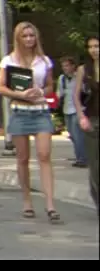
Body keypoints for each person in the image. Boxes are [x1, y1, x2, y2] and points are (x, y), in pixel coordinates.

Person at [0, 21, 60, 222]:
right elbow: (0, 87)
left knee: (44, 155)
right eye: (25, 36)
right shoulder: (9, 61)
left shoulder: (44, 61)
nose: (29, 39)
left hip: (40, 111)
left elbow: (50, 85)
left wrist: (40, 91)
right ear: (18, 38)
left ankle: (50, 205)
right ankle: (27, 201)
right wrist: (20, 93)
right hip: (20, 112)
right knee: (23, 159)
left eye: (32, 35)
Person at [72, 36, 99, 216]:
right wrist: (81, 116)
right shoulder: (84, 70)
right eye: (91, 47)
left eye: (97, 46)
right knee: (95, 166)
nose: (94, 50)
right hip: (93, 120)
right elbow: (75, 95)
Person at [57, 56, 86, 167]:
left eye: (67, 65)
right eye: (63, 66)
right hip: (66, 109)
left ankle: (82, 159)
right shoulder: (62, 79)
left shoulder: (78, 76)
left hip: (78, 109)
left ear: (73, 66)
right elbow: (59, 94)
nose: (65, 68)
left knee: (78, 135)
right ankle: (80, 156)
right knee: (73, 135)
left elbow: (84, 90)